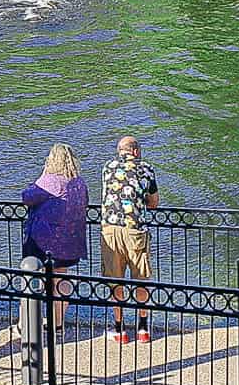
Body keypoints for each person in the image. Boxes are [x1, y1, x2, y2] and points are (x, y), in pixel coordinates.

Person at [100, 135, 159, 345]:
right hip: (135, 230)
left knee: (115, 279)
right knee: (141, 277)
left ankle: (119, 329)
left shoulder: (108, 167)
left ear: (120, 151)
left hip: (110, 230)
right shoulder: (145, 168)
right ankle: (143, 329)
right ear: (135, 151)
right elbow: (154, 202)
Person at [21, 144, 88, 328]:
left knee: (32, 277)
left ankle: (26, 324)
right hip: (71, 241)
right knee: (61, 279)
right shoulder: (79, 183)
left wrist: (41, 176)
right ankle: (57, 323)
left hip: (44, 242)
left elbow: (26, 197)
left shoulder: (49, 181)